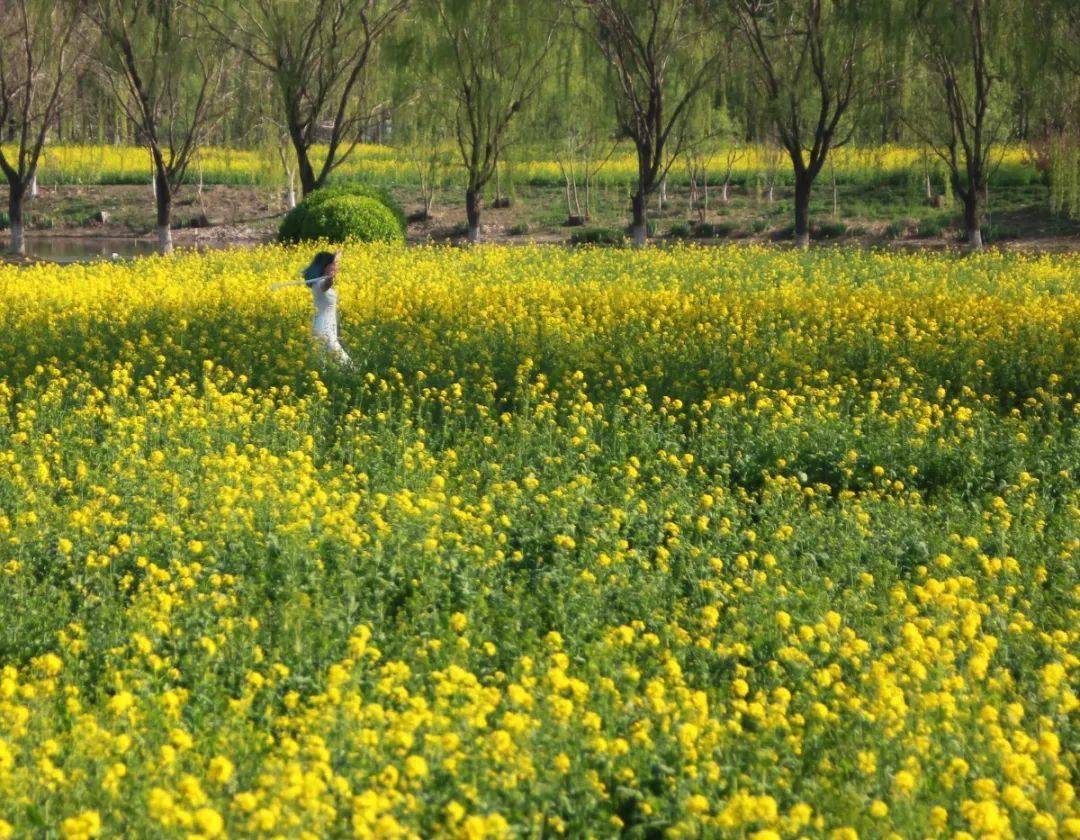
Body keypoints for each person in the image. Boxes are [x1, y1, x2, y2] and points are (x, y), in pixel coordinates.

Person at [295, 250, 352, 365]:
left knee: (322, 365)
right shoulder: (320, 283)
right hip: (325, 329)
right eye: (333, 265)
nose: (336, 267)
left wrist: (336, 258)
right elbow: (327, 285)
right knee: (347, 364)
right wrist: (330, 278)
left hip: (323, 326)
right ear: (326, 267)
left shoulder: (318, 281)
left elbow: (331, 268)